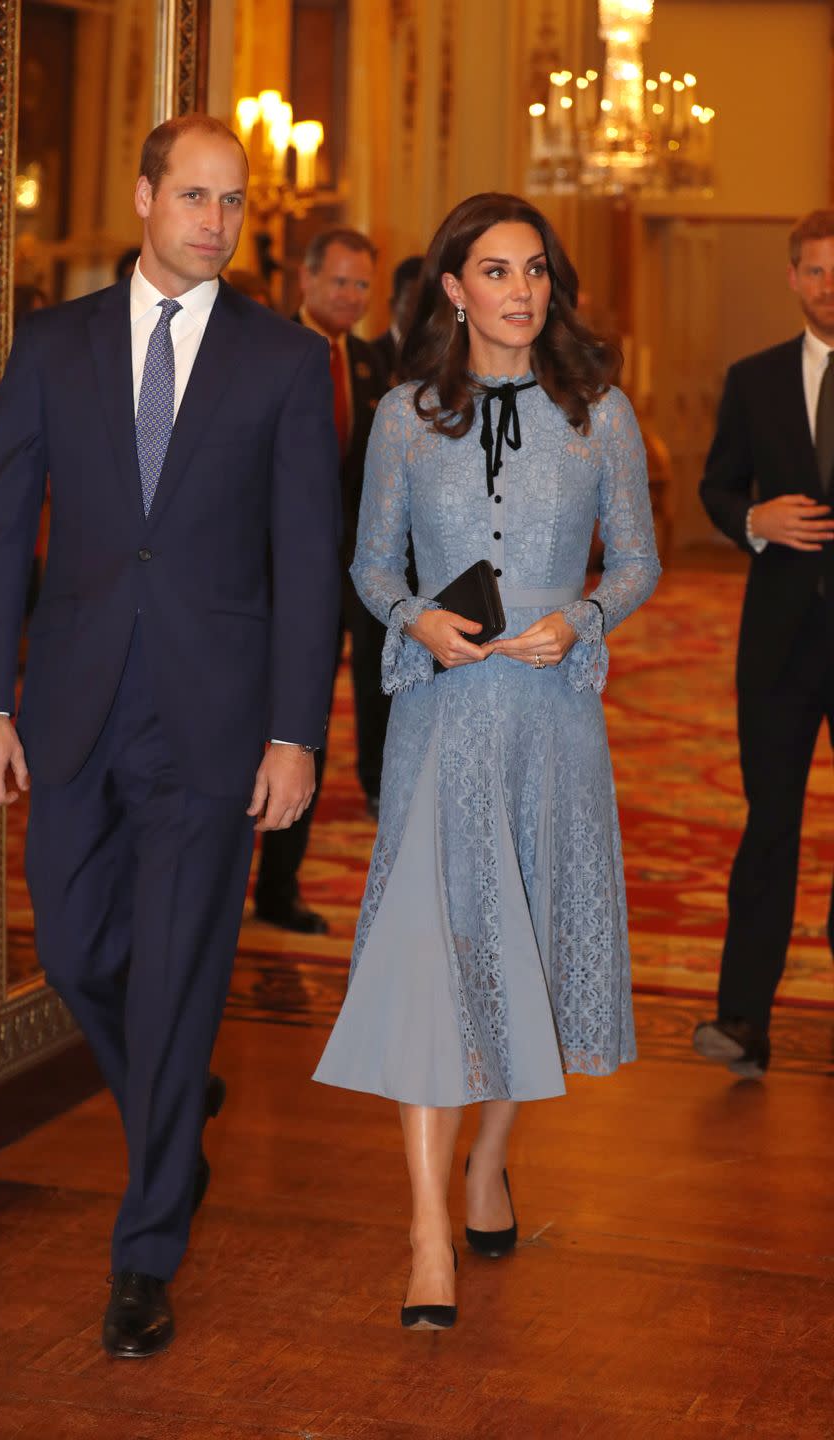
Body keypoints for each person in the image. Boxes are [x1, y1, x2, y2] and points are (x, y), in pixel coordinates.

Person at [0, 114, 340, 1358]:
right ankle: (172, 1110)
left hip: (216, 723)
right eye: (194, 197)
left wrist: (296, 734)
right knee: (73, 950)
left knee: (179, 979)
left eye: (232, 204)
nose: (215, 223)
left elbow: (306, 562)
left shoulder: (282, 364)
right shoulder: (57, 345)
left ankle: (146, 1252)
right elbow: (0, 527)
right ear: (142, 198)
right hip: (73, 708)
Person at [314, 192, 660, 1330]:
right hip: (444, 721)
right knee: (432, 954)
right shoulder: (406, 417)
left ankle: (487, 1161)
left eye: (536, 271)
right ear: (454, 290)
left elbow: (641, 564)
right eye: (496, 272)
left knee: (535, 950)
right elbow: (368, 567)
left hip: (553, 717)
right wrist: (413, 617)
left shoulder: (599, 413)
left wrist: (589, 620)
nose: (521, 291)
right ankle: (427, 1234)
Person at [693, 209, 834, 1079]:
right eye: (815, 271)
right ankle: (743, 1018)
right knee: (770, 828)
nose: (829, 286)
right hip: (779, 645)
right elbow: (715, 485)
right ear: (793, 278)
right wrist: (753, 518)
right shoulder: (755, 380)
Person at [255, 228, 388, 931]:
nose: (351, 296)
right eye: (339, 282)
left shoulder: (373, 365)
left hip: (356, 573)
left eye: (363, 285)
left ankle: (280, 888)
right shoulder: (264, 350)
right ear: (305, 282)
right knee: (254, 721)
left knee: (311, 726)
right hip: (268, 575)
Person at [372, 254, 423, 389]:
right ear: (393, 304)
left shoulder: (439, 355)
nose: (421, 311)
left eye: (428, 303)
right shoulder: (371, 355)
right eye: (412, 302)